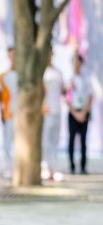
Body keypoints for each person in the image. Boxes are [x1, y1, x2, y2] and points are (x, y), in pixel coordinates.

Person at [66, 53, 92, 175]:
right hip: (73, 112)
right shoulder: (70, 80)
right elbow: (67, 98)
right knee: (71, 139)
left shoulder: (86, 79)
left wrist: (84, 112)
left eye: (78, 62)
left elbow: (90, 97)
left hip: (84, 111)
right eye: (74, 62)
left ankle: (83, 166)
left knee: (83, 141)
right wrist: (75, 113)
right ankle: (71, 166)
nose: (76, 65)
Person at [41, 50, 65, 181]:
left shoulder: (58, 72)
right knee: (45, 140)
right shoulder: (42, 72)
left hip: (57, 110)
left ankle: (53, 168)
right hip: (46, 110)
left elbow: (63, 90)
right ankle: (45, 167)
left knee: (55, 140)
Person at [0, 47, 17, 177]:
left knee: (19, 144)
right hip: (8, 114)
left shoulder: (23, 76)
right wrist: (1, 113)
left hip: (20, 115)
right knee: (7, 142)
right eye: (10, 55)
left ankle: (18, 167)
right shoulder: (3, 76)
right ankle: (7, 168)